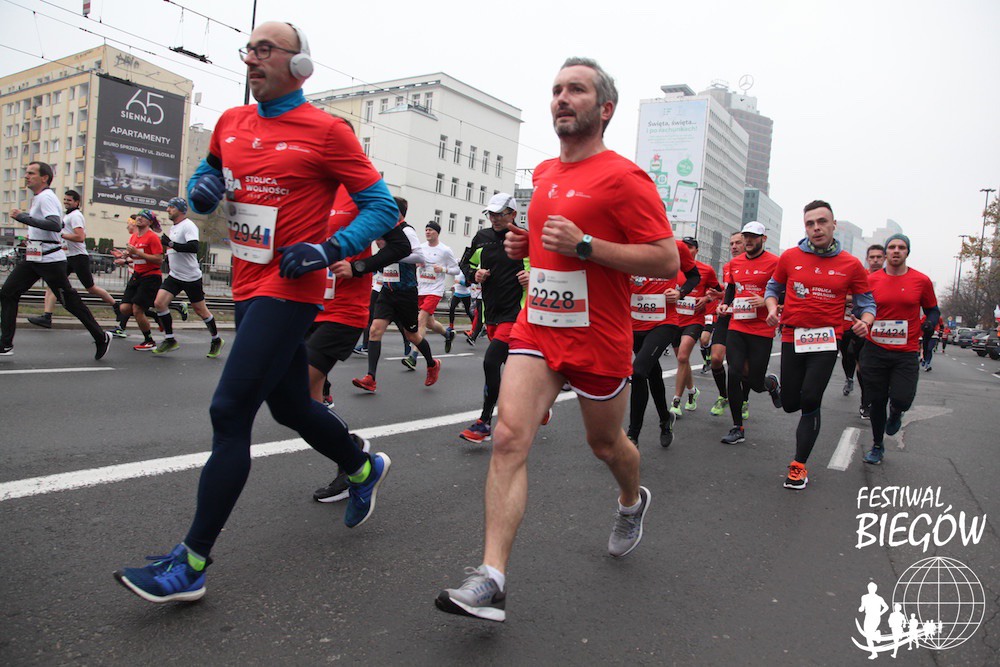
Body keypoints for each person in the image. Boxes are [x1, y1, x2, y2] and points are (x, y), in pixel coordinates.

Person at [113, 21, 398, 604]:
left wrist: (329, 249)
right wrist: (203, 188)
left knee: (229, 410)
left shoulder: (327, 131)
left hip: (290, 287)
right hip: (247, 284)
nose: (252, 58)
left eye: (265, 49)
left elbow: (382, 207)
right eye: (248, 49)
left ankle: (191, 564)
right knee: (290, 405)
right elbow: (206, 173)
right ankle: (362, 467)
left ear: (299, 65)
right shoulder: (231, 122)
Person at [435, 57, 679, 622]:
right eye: (556, 89)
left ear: (605, 109)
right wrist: (526, 245)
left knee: (606, 446)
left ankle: (631, 501)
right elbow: (552, 241)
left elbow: (665, 259)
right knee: (508, 437)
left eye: (577, 90)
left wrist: (586, 246)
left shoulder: (625, 178)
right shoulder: (545, 172)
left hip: (599, 337)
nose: (562, 98)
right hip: (538, 327)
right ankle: (491, 577)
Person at [310, 186, 412, 502]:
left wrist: (358, 267)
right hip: (305, 305)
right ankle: (352, 457)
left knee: (298, 394)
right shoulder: (305, 188)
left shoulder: (357, 194)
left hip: (341, 311)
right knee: (303, 404)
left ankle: (355, 461)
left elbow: (401, 245)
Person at [764, 200, 875, 490]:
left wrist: (865, 321)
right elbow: (773, 288)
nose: (816, 228)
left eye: (822, 221)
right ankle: (778, 390)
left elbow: (866, 303)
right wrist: (772, 308)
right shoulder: (790, 257)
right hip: (793, 336)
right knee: (791, 404)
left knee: (811, 398)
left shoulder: (851, 264)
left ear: (833, 225)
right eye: (810, 223)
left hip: (827, 339)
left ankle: (798, 466)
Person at [1, 162, 111, 358]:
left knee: (69, 302)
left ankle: (101, 337)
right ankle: (6, 343)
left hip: (50, 260)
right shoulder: (38, 198)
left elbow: (55, 224)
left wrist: (23, 217)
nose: (26, 176)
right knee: (8, 293)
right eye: (26, 173)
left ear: (44, 178)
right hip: (34, 258)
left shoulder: (46, 197)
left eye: (31, 173)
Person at [457, 193, 531, 443]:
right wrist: (474, 274)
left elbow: (550, 269)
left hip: (517, 313)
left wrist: (533, 277)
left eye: (500, 214)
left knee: (491, 362)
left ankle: (484, 422)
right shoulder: (482, 238)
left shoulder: (525, 239)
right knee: (512, 368)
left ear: (513, 214)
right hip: (491, 313)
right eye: (491, 214)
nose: (494, 219)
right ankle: (537, 403)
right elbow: (465, 264)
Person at [860, 234, 937, 465]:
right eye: (892, 247)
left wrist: (929, 323)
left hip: (905, 351)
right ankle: (877, 445)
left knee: (902, 398)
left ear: (907, 252)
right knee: (876, 400)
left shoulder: (921, 281)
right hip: (875, 349)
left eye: (901, 247)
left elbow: (933, 310)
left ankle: (896, 412)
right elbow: (860, 307)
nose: (896, 251)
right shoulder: (871, 280)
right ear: (886, 253)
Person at [351, 197, 441, 392]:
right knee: (375, 330)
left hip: (406, 292)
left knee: (412, 335)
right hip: (387, 290)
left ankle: (432, 364)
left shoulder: (407, 231)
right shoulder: (386, 230)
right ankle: (371, 378)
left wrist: (393, 254)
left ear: (398, 212)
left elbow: (419, 256)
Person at [627, 239, 698, 446]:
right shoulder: (626, 244)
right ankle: (665, 420)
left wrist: (680, 293)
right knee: (652, 373)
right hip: (634, 323)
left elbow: (694, 276)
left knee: (638, 371)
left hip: (664, 322)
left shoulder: (676, 246)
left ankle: (633, 435)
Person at [718, 221, 782, 445]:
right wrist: (725, 304)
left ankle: (770, 384)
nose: (748, 240)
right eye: (746, 236)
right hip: (738, 325)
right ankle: (737, 427)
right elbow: (731, 289)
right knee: (734, 372)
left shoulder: (775, 263)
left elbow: (785, 292)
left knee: (754, 382)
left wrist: (766, 301)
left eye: (753, 237)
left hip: (762, 328)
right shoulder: (735, 263)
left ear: (763, 239)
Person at [26, 189, 119, 329]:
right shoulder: (66, 216)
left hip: (78, 257)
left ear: (77, 202)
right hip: (66, 256)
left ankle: (116, 306)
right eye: (65, 200)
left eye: (69, 200)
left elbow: (80, 237)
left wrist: (60, 235)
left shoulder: (76, 216)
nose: (66, 202)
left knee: (91, 288)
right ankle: (47, 316)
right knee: (52, 285)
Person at [150, 198, 225, 358]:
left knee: (201, 311)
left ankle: (216, 339)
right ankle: (170, 339)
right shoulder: (174, 227)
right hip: (175, 275)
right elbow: (174, 248)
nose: (168, 210)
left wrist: (171, 244)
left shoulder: (188, 225)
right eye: (168, 207)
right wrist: (168, 253)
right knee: (159, 303)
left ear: (180, 210)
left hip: (191, 277)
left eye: (171, 207)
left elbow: (193, 247)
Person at [670, 236, 718, 417]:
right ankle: (692, 390)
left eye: (690, 247)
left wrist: (706, 298)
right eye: (683, 246)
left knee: (683, 356)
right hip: (674, 319)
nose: (686, 249)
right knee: (682, 360)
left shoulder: (706, 270)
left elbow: (719, 291)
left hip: (694, 320)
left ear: (696, 251)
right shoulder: (671, 267)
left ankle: (676, 401)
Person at [402, 220, 460, 367]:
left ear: (437, 233)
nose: (427, 232)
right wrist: (417, 264)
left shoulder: (445, 250)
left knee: (421, 320)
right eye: (426, 229)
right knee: (430, 323)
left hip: (435, 291)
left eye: (431, 230)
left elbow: (456, 270)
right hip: (421, 289)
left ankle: (413, 356)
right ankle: (448, 334)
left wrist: (443, 269)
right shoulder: (420, 248)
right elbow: (413, 262)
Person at [706, 232, 745, 418]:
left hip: (745, 318)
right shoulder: (729, 266)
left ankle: (744, 400)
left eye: (738, 243)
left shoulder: (760, 265)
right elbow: (731, 291)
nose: (734, 247)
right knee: (715, 358)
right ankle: (723, 396)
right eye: (731, 243)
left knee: (741, 366)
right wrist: (720, 298)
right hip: (726, 316)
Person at [118, 209, 164, 351]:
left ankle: (149, 340)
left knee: (137, 309)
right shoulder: (133, 237)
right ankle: (157, 316)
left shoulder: (152, 238)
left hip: (150, 276)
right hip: (137, 275)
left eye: (143, 217)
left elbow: (159, 260)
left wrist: (137, 252)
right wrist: (124, 256)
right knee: (124, 308)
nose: (139, 218)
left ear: (149, 222)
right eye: (138, 216)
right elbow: (133, 255)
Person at [855, 244, 885, 419]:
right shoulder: (862, 277)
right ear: (867, 259)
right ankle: (866, 401)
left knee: (880, 369)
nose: (875, 260)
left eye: (879, 257)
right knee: (862, 367)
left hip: (885, 330)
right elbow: (849, 295)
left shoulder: (891, 277)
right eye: (872, 257)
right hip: (863, 327)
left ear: (884, 259)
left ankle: (879, 399)